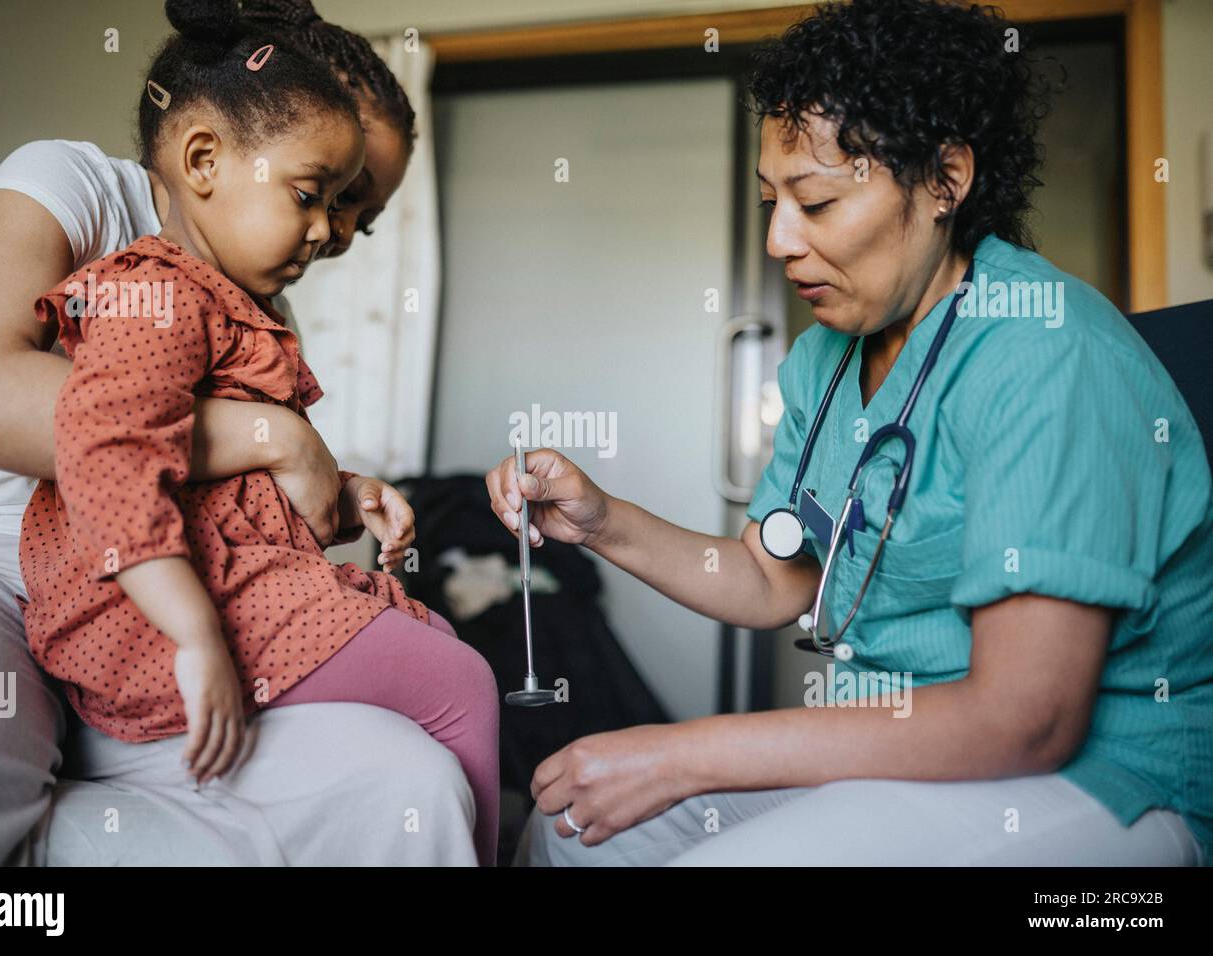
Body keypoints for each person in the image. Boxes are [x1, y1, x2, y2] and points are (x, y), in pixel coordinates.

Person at [485, 0, 1211, 866]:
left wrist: (682, 753)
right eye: (771, 201)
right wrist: (603, 521)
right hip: (893, 745)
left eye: (817, 202)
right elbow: (773, 578)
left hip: (1104, 775)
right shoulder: (825, 361)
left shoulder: (1043, 353)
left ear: (945, 179)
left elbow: (1027, 721)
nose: (778, 240)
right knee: (569, 836)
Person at [0, 0, 479, 866]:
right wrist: (271, 435)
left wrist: (336, 486)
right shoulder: (80, 188)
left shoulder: (263, 306)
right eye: (327, 190)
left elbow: (244, 500)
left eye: (357, 213)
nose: (334, 233)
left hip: (168, 586)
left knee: (410, 780)